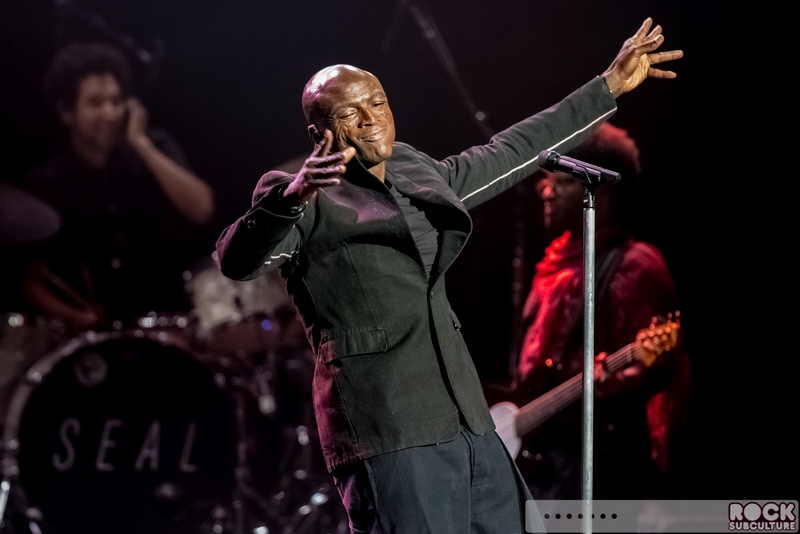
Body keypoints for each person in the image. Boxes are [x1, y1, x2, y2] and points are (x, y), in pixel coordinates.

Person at [216, 17, 682, 534]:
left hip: (468, 419)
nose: (370, 119)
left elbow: (509, 151)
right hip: (390, 429)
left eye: (378, 103)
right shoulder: (300, 196)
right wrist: (293, 196)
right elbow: (238, 261)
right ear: (318, 132)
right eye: (350, 113)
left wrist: (607, 86)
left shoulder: (414, 170)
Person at [502, 122, 691, 501]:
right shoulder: (550, 266)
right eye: (545, 180)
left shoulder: (635, 265)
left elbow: (660, 369)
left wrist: (619, 380)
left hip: (597, 468)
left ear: (599, 190)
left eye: (561, 181)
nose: (546, 190)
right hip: (540, 460)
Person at [22, 41, 215, 332]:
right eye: (96, 103)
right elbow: (33, 279)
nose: (111, 113)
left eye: (116, 101)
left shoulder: (154, 147)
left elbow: (202, 209)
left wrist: (141, 144)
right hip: (98, 336)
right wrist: (74, 316)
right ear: (66, 112)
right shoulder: (48, 183)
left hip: (169, 323)